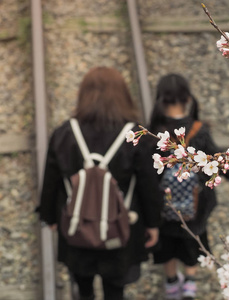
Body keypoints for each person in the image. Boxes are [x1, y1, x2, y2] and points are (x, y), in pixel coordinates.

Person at [39, 66, 163, 300]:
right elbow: (149, 185)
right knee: (115, 289)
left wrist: (50, 216)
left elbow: (51, 180)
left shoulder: (64, 133)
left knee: (82, 286)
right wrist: (153, 223)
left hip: (77, 226)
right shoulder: (134, 136)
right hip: (120, 228)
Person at [149, 73, 229, 300]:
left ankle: (171, 283)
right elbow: (214, 159)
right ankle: (189, 281)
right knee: (194, 238)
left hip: (164, 203)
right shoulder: (199, 129)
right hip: (196, 203)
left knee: (167, 243)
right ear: (188, 98)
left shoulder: (155, 132)